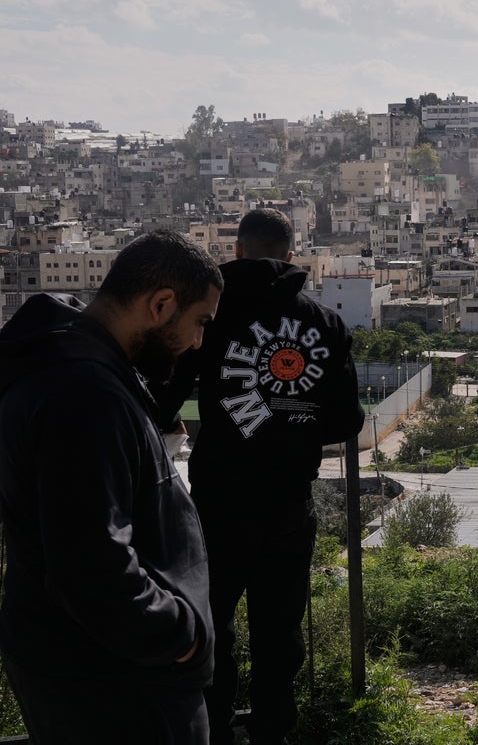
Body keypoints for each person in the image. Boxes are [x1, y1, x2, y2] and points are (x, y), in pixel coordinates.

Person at [0, 230, 222, 743]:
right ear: (162, 304)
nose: (198, 342)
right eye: (200, 322)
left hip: (100, 671)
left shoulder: (79, 373)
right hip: (117, 685)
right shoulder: (84, 395)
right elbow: (91, 568)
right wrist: (182, 636)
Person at [159, 207, 364, 745]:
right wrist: (293, 428)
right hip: (289, 504)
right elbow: (347, 420)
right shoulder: (326, 323)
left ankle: (215, 732)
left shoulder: (210, 318)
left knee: (212, 627)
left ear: (239, 252)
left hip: (218, 501)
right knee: (280, 632)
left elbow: (165, 393)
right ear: (292, 254)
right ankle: (274, 732)